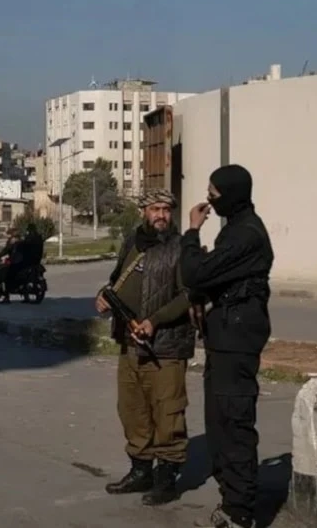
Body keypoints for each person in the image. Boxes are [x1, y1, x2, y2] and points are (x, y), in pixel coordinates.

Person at [180, 164, 274, 528]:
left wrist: (191, 231)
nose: (209, 201)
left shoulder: (245, 235)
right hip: (225, 338)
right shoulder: (235, 229)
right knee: (219, 425)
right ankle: (231, 503)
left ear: (232, 194)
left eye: (213, 194)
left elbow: (195, 272)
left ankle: (240, 513)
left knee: (233, 425)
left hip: (236, 342)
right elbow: (211, 278)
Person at [95, 188, 197, 507]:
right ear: (144, 212)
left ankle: (166, 479)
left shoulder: (181, 248)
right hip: (129, 343)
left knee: (168, 412)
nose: (161, 215)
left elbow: (188, 294)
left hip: (165, 345)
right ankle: (141, 471)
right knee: (132, 409)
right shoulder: (132, 243)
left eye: (167, 210)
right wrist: (103, 297)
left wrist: (155, 321)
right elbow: (116, 282)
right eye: (155, 209)